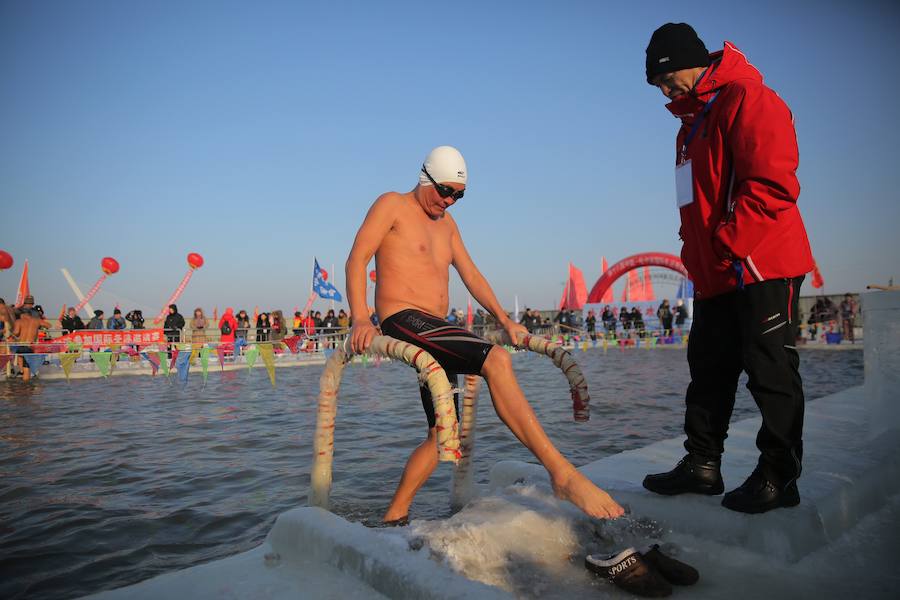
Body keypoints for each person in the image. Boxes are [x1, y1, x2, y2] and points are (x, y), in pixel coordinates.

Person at [346, 145, 624, 524]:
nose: (449, 200)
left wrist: (506, 321)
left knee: (444, 433)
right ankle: (562, 473)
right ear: (425, 177)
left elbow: (472, 275)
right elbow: (357, 257)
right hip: (403, 319)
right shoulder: (392, 205)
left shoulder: (447, 225)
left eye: (458, 195)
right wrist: (361, 318)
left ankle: (393, 517)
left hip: (435, 330)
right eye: (445, 191)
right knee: (496, 359)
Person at [641, 24, 813, 513]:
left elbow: (774, 184)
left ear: (696, 62)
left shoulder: (748, 99)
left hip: (760, 264)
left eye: (669, 77)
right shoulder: (688, 127)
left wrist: (729, 243)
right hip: (716, 271)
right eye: (658, 84)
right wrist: (699, 255)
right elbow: (694, 203)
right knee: (708, 370)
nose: (665, 90)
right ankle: (701, 464)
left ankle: (780, 476)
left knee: (770, 370)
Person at [10, 300, 51, 382]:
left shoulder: (19, 321)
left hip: (22, 345)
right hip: (31, 346)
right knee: (27, 365)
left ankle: (24, 380)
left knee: (21, 358)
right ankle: (28, 380)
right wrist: (38, 328)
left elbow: (16, 333)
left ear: (23, 314)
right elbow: (49, 325)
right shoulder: (36, 321)